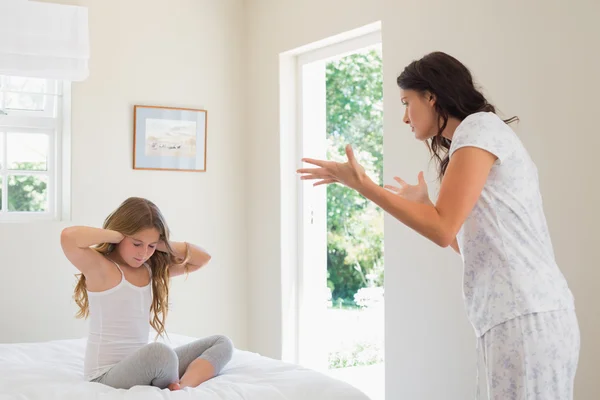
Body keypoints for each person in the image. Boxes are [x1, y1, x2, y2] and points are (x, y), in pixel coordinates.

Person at [297, 51, 579, 399]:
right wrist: (427, 207)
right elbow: (467, 242)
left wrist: (363, 185)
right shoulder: (479, 134)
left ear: (431, 96)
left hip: (525, 313)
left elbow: (442, 230)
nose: (404, 117)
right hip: (520, 314)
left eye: (407, 102)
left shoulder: (478, 129)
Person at [61, 197, 233, 391]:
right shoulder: (102, 268)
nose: (143, 253)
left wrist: (162, 244)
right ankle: (171, 381)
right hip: (106, 374)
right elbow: (68, 237)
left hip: (145, 364)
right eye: (136, 244)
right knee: (160, 353)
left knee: (221, 343)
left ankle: (181, 387)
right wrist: (117, 235)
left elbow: (202, 258)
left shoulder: (150, 269)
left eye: (151, 246)